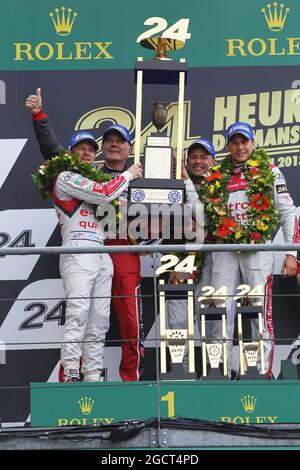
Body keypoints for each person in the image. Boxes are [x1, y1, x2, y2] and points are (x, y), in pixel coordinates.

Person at [25, 88, 144, 381]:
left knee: (99, 320)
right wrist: (130, 175)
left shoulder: (90, 177)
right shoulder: (66, 177)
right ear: (70, 154)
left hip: (102, 251)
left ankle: (92, 374)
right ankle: (72, 374)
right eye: (81, 148)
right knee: (77, 313)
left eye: (91, 148)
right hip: (78, 250)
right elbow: (104, 193)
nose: (87, 152)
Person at [205, 121, 298, 377]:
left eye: (244, 142)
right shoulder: (218, 175)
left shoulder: (270, 171)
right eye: (234, 142)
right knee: (218, 309)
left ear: (253, 144)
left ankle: (259, 373)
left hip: (257, 248)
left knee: (258, 311)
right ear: (228, 146)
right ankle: (218, 370)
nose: (239, 147)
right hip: (224, 249)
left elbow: (288, 212)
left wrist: (292, 252)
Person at [166, 139, 219, 373]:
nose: (198, 162)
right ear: (186, 161)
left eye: (204, 157)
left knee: (212, 319)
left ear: (213, 161)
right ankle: (181, 372)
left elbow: (208, 219)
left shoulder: (222, 186)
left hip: (211, 260)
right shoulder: (173, 184)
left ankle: (214, 370)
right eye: (193, 157)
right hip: (179, 258)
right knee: (177, 319)